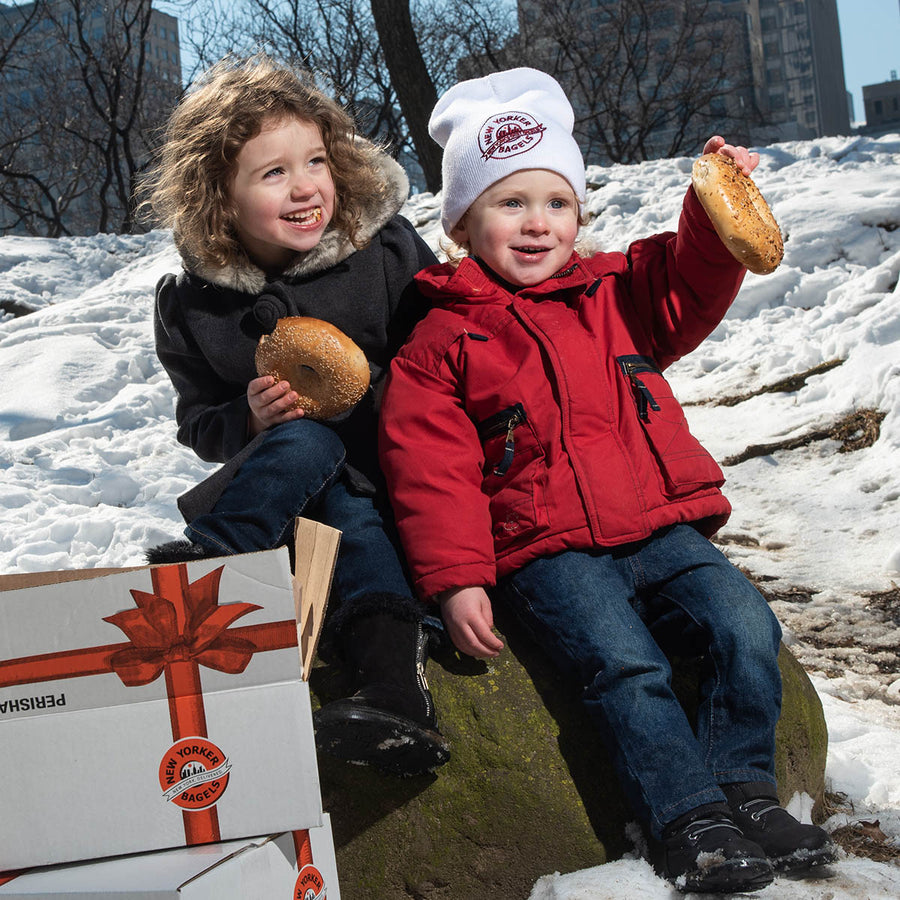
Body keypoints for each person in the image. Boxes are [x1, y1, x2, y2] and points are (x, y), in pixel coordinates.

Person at [378, 68, 837, 891]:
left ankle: (744, 788)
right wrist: (457, 580)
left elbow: (692, 279)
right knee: (625, 665)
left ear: (579, 215)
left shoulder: (616, 292)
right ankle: (687, 820)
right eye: (509, 203)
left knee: (744, 627)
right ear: (462, 224)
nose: (537, 223)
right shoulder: (440, 343)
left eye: (556, 202)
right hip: (549, 549)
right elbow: (431, 471)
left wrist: (713, 203)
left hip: (659, 526)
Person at [141, 52, 449, 777]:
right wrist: (247, 420)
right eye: (274, 173)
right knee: (310, 449)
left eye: (316, 161)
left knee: (353, 509)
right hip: (282, 497)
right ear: (220, 197)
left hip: (393, 468)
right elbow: (198, 422)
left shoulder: (385, 253)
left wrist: (376, 390)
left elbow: (447, 357)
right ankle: (220, 569)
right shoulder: (195, 307)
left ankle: (392, 688)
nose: (306, 186)